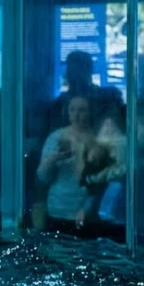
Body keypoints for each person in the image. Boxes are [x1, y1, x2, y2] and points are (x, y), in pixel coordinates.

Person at [36, 96, 97, 235]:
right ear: (67, 113)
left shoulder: (97, 139)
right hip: (58, 208)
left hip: (89, 212)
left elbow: (103, 181)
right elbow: (42, 176)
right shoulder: (56, 138)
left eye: (82, 110)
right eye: (72, 110)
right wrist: (53, 158)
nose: (77, 114)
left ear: (90, 112)